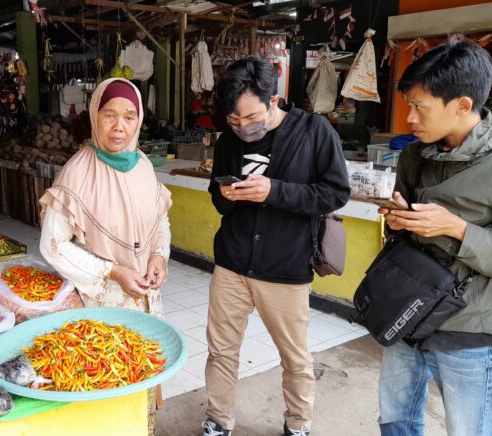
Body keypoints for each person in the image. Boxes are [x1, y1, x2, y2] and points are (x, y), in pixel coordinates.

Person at [203, 57, 350, 436]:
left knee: (295, 357)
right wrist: (227, 194)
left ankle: (298, 425)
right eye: (233, 121)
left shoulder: (315, 131)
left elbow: (336, 193)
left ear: (274, 99)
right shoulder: (228, 140)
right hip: (233, 262)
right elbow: (218, 203)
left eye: (250, 117)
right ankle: (218, 420)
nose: (242, 128)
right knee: (221, 351)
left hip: (286, 267)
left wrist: (274, 191)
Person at [39, 78, 172, 435]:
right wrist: (112, 271)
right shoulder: (77, 173)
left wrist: (159, 255)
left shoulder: (142, 164)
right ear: (95, 116)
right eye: (109, 115)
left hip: (146, 297)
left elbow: (159, 217)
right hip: (102, 301)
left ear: (139, 120)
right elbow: (53, 245)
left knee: (143, 377)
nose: (119, 126)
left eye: (129, 116)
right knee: (108, 383)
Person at [377, 40, 492, 436]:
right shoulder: (413, 155)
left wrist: (455, 228)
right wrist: (398, 220)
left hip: (469, 329)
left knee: (468, 428)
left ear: (462, 105)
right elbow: (402, 233)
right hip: (406, 309)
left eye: (419, 107)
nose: (409, 118)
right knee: (396, 417)